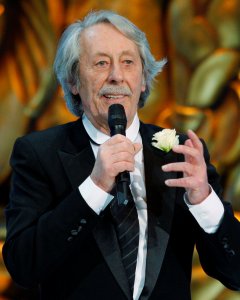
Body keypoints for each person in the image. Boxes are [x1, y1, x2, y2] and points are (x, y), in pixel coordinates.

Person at [2, 10, 240, 300]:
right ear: (74, 81)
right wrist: (95, 187)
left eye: (128, 62)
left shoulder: (181, 154)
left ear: (142, 80)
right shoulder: (39, 153)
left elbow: (235, 273)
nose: (116, 76)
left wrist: (205, 202)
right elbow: (23, 266)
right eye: (101, 63)